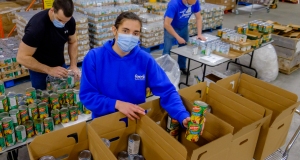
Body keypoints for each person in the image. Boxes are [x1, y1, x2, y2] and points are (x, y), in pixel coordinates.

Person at [79, 12, 191, 127]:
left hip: (134, 122)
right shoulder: (94, 57)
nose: (130, 37)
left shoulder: (145, 60)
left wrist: (182, 115)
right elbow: (88, 95)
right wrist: (116, 104)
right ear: (114, 30)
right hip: (104, 123)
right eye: (125, 31)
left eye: (135, 33)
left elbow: (167, 90)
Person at [17, 0, 80, 90]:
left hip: (60, 66)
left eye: (66, 21)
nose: (63, 24)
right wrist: (49, 70)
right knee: (42, 98)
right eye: (60, 20)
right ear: (52, 10)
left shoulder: (69, 21)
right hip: (39, 70)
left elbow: (73, 42)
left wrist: (73, 65)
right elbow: (21, 57)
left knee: (64, 96)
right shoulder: (37, 27)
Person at [163, 0, 206, 74]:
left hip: (184, 26)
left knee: (184, 47)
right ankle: (165, 70)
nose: (190, 6)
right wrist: (178, 37)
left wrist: (199, 34)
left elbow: (198, 18)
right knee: (167, 49)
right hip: (171, 27)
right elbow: (166, 24)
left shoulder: (195, 1)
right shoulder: (174, 4)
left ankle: (182, 66)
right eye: (189, 4)